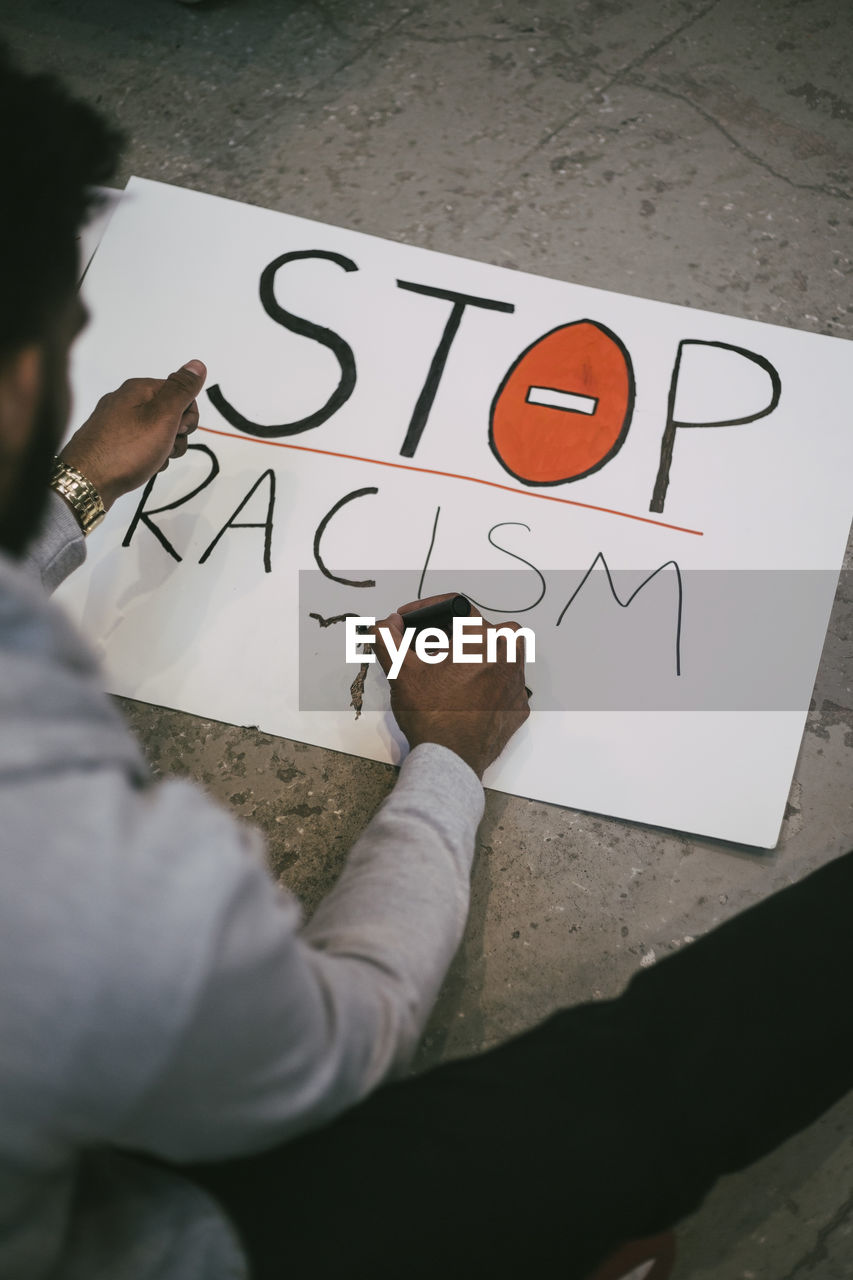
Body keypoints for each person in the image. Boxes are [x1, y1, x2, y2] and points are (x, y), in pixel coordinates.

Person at [2, 43, 852, 1280]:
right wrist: (446, 759)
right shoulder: (85, 887)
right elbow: (331, 1049)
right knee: (614, 1100)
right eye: (64, 331)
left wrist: (66, 490)